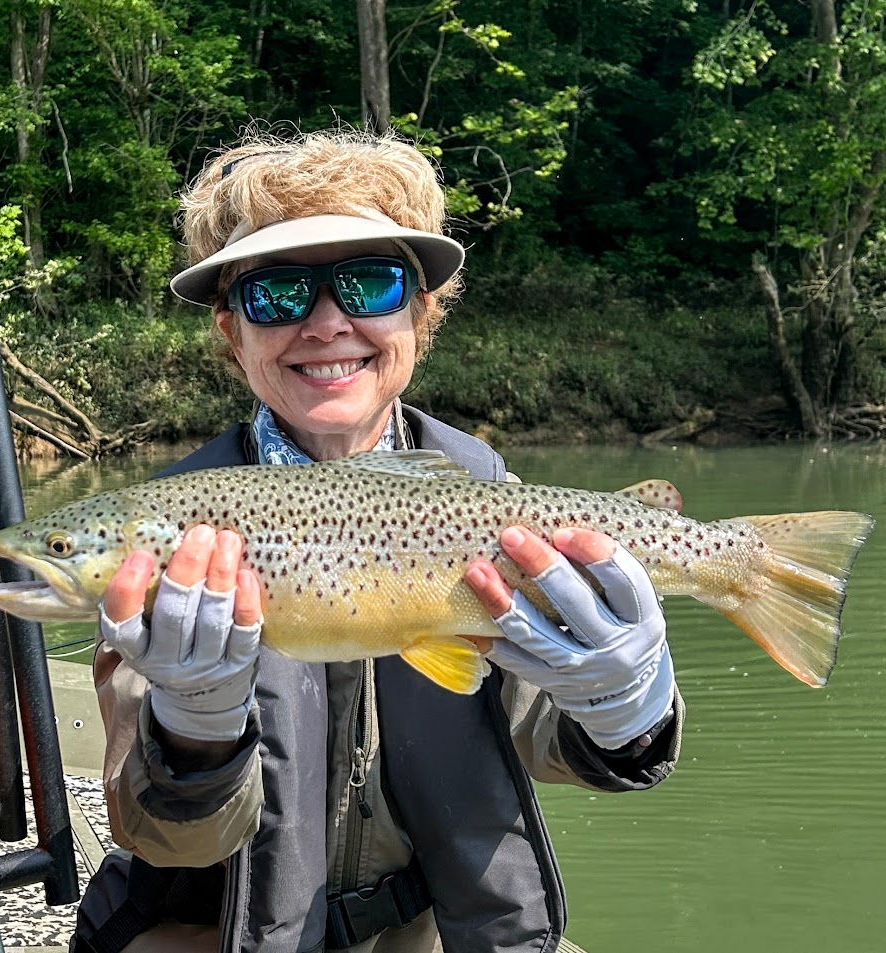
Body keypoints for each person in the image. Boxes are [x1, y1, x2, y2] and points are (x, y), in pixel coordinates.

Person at [70, 129, 682, 953]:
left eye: (368, 282)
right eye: (277, 295)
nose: (326, 324)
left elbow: (553, 744)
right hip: (211, 933)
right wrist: (192, 730)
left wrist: (626, 707)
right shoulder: (175, 533)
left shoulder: (495, 508)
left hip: (426, 931)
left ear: (421, 313)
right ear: (231, 332)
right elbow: (164, 835)